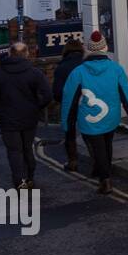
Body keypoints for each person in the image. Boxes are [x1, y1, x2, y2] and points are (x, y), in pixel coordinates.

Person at [60, 30, 128, 195]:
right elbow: (127, 93)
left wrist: (67, 123)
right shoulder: (116, 68)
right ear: (105, 48)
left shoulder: (78, 72)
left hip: (89, 118)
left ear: (89, 49)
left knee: (98, 147)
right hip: (111, 116)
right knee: (107, 144)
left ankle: (105, 180)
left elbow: (69, 100)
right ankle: (102, 171)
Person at [0, 42, 52, 190]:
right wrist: (36, 107)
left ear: (10, 53)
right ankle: (30, 177)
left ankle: (19, 181)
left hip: (7, 119)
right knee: (27, 148)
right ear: (26, 54)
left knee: (14, 151)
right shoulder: (35, 73)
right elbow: (47, 95)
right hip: (29, 118)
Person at [51, 38, 85, 172]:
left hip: (69, 104)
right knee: (90, 134)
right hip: (86, 103)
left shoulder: (61, 67)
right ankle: (97, 164)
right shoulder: (85, 64)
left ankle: (73, 161)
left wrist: (62, 101)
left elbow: (57, 92)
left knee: (69, 134)